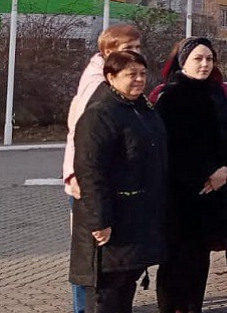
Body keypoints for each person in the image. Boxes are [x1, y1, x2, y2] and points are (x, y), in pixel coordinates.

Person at [69, 50, 167, 313]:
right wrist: (100, 220)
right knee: (106, 297)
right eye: (131, 75)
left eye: (142, 74)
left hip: (135, 221)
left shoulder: (142, 109)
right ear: (110, 77)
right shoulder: (100, 114)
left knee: (124, 291)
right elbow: (90, 171)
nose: (138, 80)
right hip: (109, 228)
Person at [62, 24, 143, 313]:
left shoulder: (105, 78)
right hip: (89, 186)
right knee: (93, 263)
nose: (135, 54)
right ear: (108, 52)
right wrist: (75, 176)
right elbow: (84, 138)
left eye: (137, 48)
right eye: (128, 49)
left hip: (95, 183)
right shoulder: (99, 85)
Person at [154, 36, 227, 313]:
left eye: (209, 59)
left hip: (212, 192)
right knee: (176, 264)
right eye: (198, 59)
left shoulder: (216, 93)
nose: (204, 64)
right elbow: (172, 148)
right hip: (181, 195)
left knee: (200, 262)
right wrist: (204, 175)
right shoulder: (171, 96)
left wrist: (224, 170)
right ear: (182, 62)